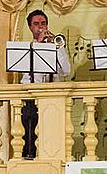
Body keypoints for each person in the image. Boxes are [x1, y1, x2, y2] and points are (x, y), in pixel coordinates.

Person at [19, 9, 71, 159]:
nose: (41, 27)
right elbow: (26, 71)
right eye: (36, 24)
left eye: (43, 23)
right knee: (29, 134)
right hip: (31, 97)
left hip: (53, 97)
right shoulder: (26, 49)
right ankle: (29, 160)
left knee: (52, 134)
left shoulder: (57, 46)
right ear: (30, 27)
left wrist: (58, 49)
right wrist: (40, 45)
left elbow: (66, 71)